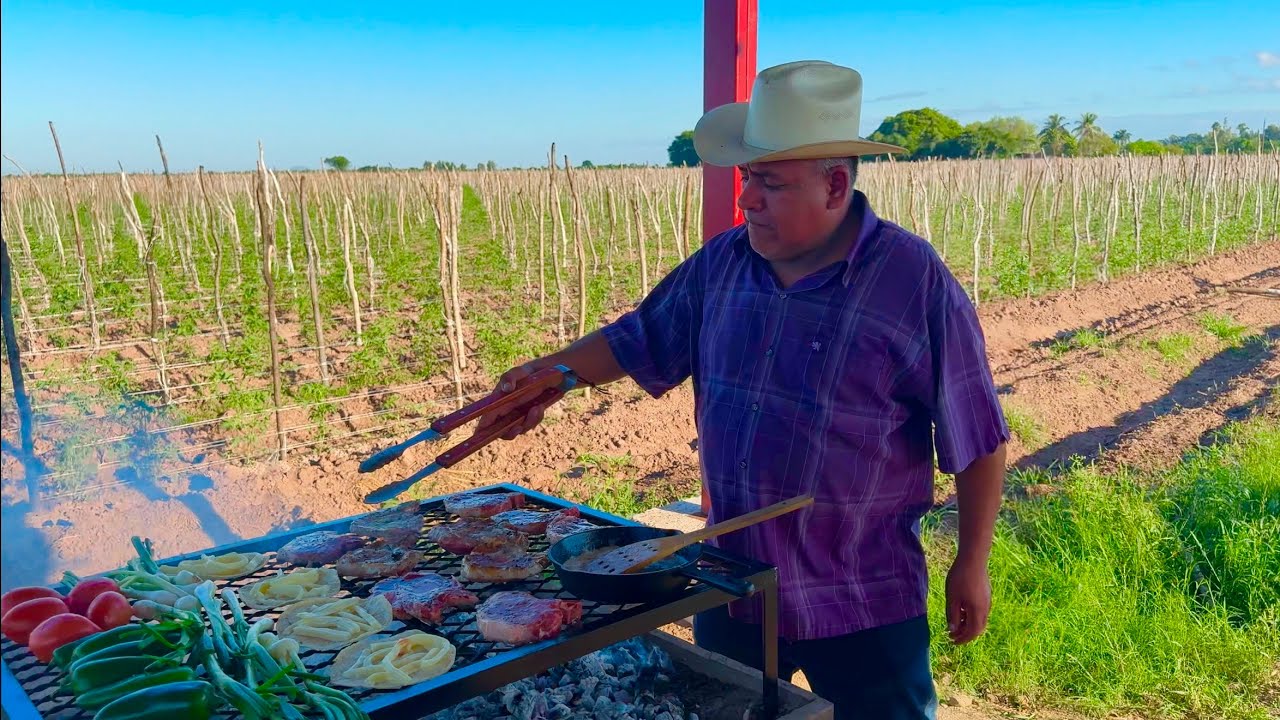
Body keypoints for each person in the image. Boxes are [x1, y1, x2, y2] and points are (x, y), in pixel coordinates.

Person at [478, 60, 1009, 720]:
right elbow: (638, 337)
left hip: (863, 596)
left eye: (770, 184)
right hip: (732, 588)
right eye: (748, 178)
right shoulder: (722, 264)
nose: (747, 199)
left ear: (836, 185)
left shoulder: (911, 281)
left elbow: (978, 437)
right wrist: (552, 374)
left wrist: (972, 561)